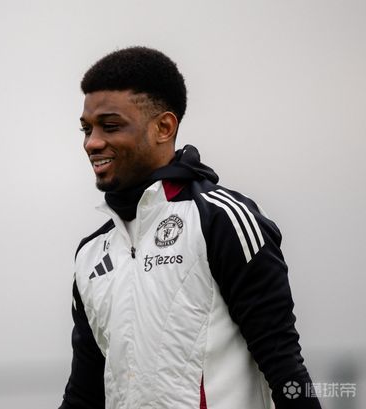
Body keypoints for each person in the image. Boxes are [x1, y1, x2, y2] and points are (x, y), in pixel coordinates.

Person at [59, 47, 321, 409]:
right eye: (87, 129)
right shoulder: (90, 254)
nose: (92, 142)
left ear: (164, 127)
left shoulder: (222, 219)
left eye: (111, 126)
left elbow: (285, 368)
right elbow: (83, 397)